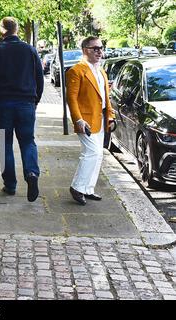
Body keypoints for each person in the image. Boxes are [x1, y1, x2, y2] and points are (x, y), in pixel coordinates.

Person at [0, 17, 44, 202]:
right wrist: (35, 101)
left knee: (4, 144)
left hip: (3, 105)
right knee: (27, 142)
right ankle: (32, 173)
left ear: (2, 30)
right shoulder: (30, 50)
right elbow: (39, 78)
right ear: (16, 30)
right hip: (26, 104)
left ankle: (10, 184)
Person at [66, 36, 115, 205]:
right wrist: (78, 120)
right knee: (91, 153)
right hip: (85, 120)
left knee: (98, 154)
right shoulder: (76, 70)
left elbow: (105, 97)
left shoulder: (101, 71)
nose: (99, 51)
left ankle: (88, 188)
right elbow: (71, 98)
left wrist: (111, 116)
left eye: (101, 47)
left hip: (100, 119)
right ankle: (77, 187)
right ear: (85, 50)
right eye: (95, 48)